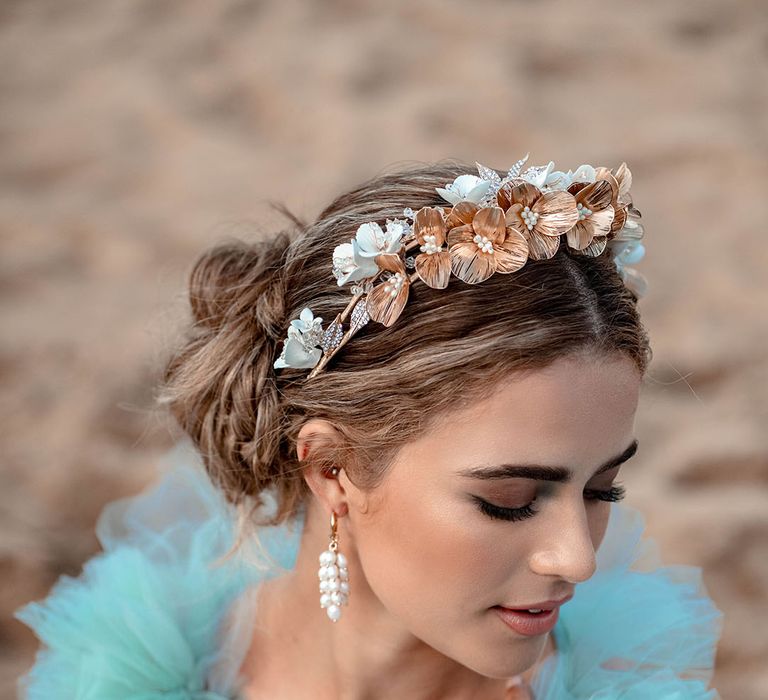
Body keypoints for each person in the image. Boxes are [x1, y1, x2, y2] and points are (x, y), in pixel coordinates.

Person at [15, 158, 724, 699]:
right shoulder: (126, 672)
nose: (578, 560)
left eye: (604, 490)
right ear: (330, 468)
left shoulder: (625, 681)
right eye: (508, 500)